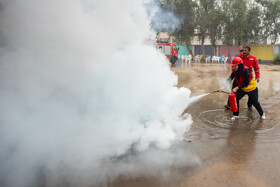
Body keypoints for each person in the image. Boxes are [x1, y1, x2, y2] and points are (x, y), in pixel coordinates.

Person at [225, 46, 260, 110]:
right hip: (238, 77)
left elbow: (256, 68)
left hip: (247, 78)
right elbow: (233, 64)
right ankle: (230, 104)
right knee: (233, 90)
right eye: (243, 50)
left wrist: (257, 76)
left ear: (249, 52)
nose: (243, 52)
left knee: (251, 92)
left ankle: (249, 105)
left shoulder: (253, 58)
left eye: (245, 51)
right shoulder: (238, 57)